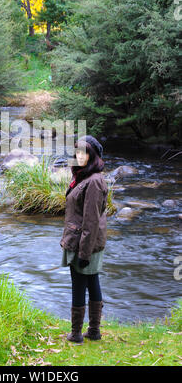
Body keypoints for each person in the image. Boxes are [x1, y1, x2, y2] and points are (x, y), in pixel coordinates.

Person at [60, 135, 108, 344]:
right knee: (90, 280)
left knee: (80, 283)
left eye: (84, 152)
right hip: (82, 239)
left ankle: (77, 334)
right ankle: (94, 332)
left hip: (84, 242)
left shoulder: (94, 182)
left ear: (93, 155)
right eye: (77, 152)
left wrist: (84, 254)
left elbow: (91, 221)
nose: (79, 156)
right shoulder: (84, 177)